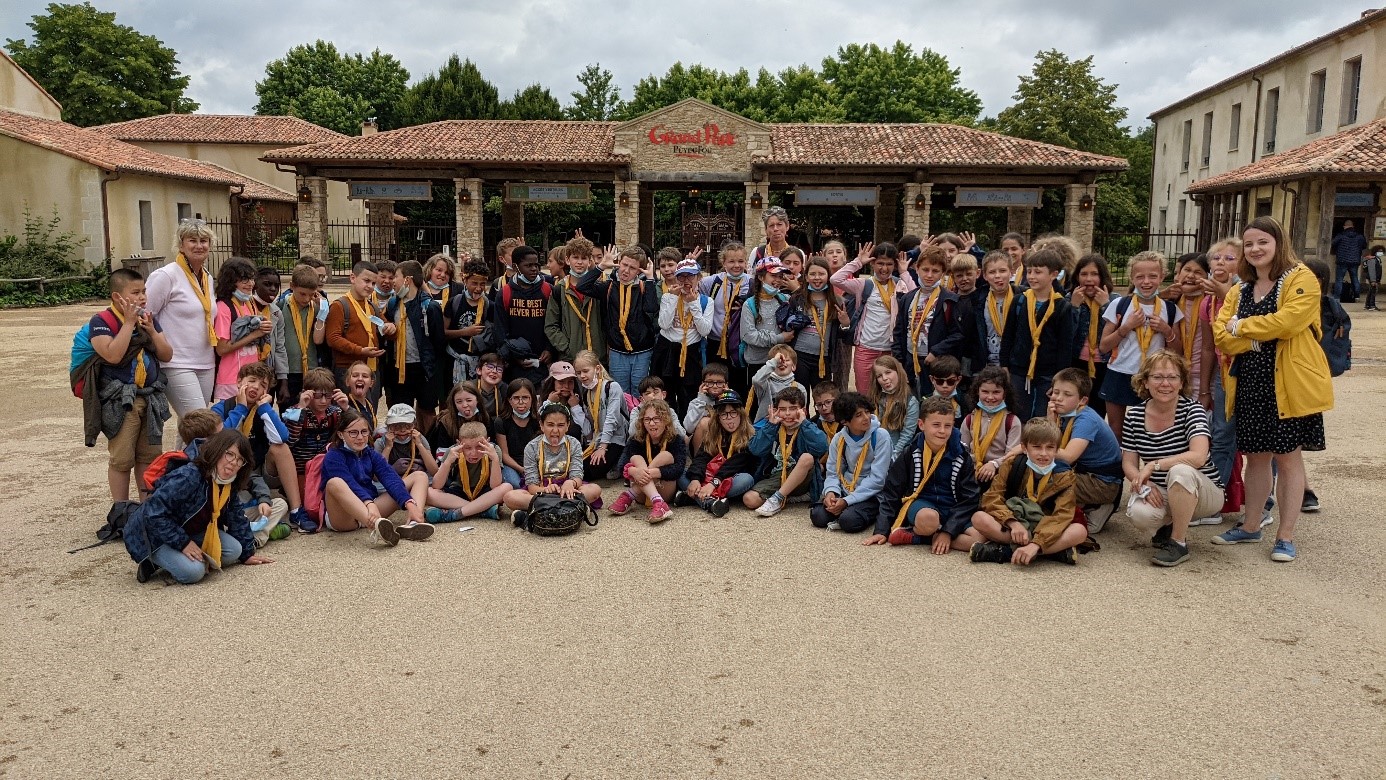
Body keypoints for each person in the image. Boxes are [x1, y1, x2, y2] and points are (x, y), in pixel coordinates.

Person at [1212, 216, 1333, 563]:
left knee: (1289, 458)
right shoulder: (1240, 290)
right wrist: (1250, 342)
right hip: (1250, 382)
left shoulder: (1301, 278)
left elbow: (1290, 321)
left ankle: (1285, 535)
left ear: (1279, 243)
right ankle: (1251, 526)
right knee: (1255, 459)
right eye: (1248, 244)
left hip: (1289, 383)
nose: (1255, 249)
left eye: (1262, 242)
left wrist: (1243, 328)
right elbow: (1221, 335)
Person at [123, 429, 273, 584]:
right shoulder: (189, 475)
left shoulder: (228, 481)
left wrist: (248, 554)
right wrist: (184, 543)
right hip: (152, 534)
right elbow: (153, 513)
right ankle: (152, 559)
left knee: (235, 550)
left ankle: (178, 557)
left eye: (240, 459)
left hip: (187, 529)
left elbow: (235, 515)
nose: (234, 462)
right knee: (194, 572)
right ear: (218, 450)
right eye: (230, 454)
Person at [1119, 351, 1226, 566]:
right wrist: (1145, 483)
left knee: (1180, 471)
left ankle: (1178, 543)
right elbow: (1128, 463)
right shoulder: (1134, 415)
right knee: (1139, 514)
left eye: (1172, 377)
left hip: (1204, 490)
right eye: (1157, 377)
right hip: (1164, 488)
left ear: (1181, 382)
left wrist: (1154, 465)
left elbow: (1198, 456)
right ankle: (1168, 526)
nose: (1165, 383)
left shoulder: (1192, 409)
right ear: (1145, 382)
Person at [85, 268, 173, 502]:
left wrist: (152, 331)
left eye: (144, 291)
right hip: (121, 400)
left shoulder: (148, 318)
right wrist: (129, 323)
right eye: (135, 292)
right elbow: (112, 355)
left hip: (149, 397)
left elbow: (166, 355)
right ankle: (120, 510)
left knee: (149, 456)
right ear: (117, 297)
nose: (142, 297)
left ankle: (148, 508)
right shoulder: (101, 321)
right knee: (122, 459)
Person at [865, 396, 984, 554]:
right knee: (928, 519)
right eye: (936, 425)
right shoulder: (911, 452)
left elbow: (970, 498)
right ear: (921, 425)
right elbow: (892, 491)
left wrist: (947, 532)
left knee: (978, 538)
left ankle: (920, 538)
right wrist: (881, 530)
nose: (942, 431)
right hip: (923, 506)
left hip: (952, 508)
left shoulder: (961, 456)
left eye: (948, 426)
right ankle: (929, 531)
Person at [967, 418, 1084, 565]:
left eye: (1050, 447)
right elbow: (991, 498)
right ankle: (1053, 551)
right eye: (1037, 447)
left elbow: (1062, 515)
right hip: (1016, 522)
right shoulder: (1012, 464)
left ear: (1057, 450)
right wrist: (1012, 523)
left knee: (1079, 531)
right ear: (1024, 448)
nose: (1043, 453)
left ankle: (1008, 552)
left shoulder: (1064, 476)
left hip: (1046, 525)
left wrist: (1036, 543)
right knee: (979, 518)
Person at [1098, 251, 1183, 444]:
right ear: (1132, 278)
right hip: (1120, 372)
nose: (1146, 282)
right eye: (1140, 277)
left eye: (1153, 276)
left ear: (1162, 277)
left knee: (1151, 433)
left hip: (1153, 375)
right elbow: (1103, 346)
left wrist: (1166, 330)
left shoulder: (1170, 309)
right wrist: (1126, 327)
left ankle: (1150, 471)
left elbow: (1178, 352)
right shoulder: (1120, 304)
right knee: (1116, 432)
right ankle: (1117, 473)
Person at [210, 362, 306, 528]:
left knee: (280, 448)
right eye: (252, 380)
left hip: (258, 469)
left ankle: (296, 510)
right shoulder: (222, 408)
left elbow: (283, 437)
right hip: (229, 468)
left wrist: (265, 408)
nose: (256, 387)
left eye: (263, 385)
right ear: (239, 381)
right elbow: (219, 441)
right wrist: (240, 408)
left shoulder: (262, 409)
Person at [145, 218, 218, 425]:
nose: (199, 245)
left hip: (205, 360)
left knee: (190, 427)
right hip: (175, 362)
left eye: (204, 240)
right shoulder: (166, 276)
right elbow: (145, 314)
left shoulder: (206, 277)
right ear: (181, 244)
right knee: (201, 424)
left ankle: (183, 459)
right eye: (192, 240)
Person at [321, 409, 432, 545]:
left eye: (364, 431)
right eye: (353, 433)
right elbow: (349, 483)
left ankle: (414, 522)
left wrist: (409, 503)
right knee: (335, 482)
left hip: (371, 511)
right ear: (341, 434)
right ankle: (378, 527)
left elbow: (390, 477)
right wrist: (369, 503)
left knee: (420, 476)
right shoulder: (333, 456)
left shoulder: (370, 453)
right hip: (344, 517)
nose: (360, 437)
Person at [831, 242, 917, 394]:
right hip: (866, 349)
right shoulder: (864, 285)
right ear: (872, 263)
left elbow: (916, 296)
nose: (884, 268)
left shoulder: (900, 285)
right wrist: (858, 262)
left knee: (890, 394)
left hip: (890, 350)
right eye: (880, 263)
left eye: (889, 264)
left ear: (895, 265)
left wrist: (904, 272)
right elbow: (836, 280)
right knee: (865, 394)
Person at [1045, 368, 1125, 532]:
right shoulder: (1063, 413)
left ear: (1082, 400)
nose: (1059, 398)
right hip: (1083, 474)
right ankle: (1082, 505)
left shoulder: (1086, 419)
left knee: (1044, 482)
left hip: (1103, 483)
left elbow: (1067, 457)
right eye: (1056, 392)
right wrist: (1050, 422)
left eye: (1067, 395)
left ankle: (1098, 506)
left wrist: (1033, 448)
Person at [1000, 247, 1074, 421]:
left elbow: (1065, 346)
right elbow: (1008, 335)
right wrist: (1005, 365)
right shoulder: (1020, 300)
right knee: (1018, 414)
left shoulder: (1062, 306)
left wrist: (1059, 378)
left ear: (1054, 274)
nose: (1032, 276)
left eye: (1038, 272)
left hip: (1048, 374)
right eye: (1029, 271)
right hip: (1018, 369)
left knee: (1044, 415)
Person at [502, 402, 604, 527]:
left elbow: (577, 474)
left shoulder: (574, 444)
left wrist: (570, 483)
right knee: (510, 497)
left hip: (567, 490)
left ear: (567, 426)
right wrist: (545, 491)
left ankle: (537, 511)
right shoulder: (532, 447)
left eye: (561, 425)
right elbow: (532, 486)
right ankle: (574, 509)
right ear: (541, 425)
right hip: (541, 490)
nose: (555, 430)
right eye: (550, 425)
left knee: (595, 490)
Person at [577, 246, 660, 393]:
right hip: (617, 351)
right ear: (619, 263)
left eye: (632, 268)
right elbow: (582, 286)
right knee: (619, 392)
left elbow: (652, 308)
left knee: (639, 391)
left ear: (639, 270)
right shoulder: (610, 287)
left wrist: (650, 279)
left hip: (642, 352)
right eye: (624, 265)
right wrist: (601, 266)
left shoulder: (643, 287)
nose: (626, 271)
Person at [811, 391, 893, 533]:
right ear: (845, 421)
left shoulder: (880, 436)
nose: (866, 418)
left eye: (867, 412)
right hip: (847, 487)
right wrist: (831, 492)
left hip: (873, 492)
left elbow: (878, 479)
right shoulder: (839, 439)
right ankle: (843, 508)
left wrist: (848, 501)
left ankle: (858, 511)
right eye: (858, 415)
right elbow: (833, 472)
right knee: (818, 516)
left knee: (848, 521)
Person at [1196, 238, 1242, 489]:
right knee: (1221, 434)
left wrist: (1226, 293)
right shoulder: (1208, 302)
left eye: (1230, 258)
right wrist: (1205, 390)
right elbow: (1207, 348)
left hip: (1251, 370)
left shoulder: (1250, 291)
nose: (1221, 263)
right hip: (1224, 373)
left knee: (1261, 438)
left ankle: (1265, 501)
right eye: (1216, 258)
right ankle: (1213, 498)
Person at [381, 260, 446, 435]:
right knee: (401, 412)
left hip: (423, 368)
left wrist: (433, 370)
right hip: (399, 367)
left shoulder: (429, 307)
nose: (394, 281)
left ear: (407, 280)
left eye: (396, 276)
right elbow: (384, 325)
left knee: (427, 410)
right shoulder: (394, 303)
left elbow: (439, 342)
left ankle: (429, 446)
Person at [744, 387, 829, 517]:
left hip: (803, 478)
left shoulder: (807, 426)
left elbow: (822, 447)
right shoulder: (773, 426)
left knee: (807, 458)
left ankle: (777, 498)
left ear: (803, 410)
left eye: (793, 408)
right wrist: (770, 426)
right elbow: (756, 450)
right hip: (777, 475)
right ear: (775, 411)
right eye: (782, 409)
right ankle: (789, 496)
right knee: (749, 499)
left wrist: (805, 423)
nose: (788, 414)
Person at [282, 367, 346, 531]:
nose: (323, 401)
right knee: (311, 508)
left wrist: (347, 408)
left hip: (324, 469)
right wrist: (301, 408)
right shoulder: (294, 412)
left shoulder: (334, 412)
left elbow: (359, 432)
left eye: (328, 395)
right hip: (301, 469)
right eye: (318, 395)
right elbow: (289, 441)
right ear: (306, 393)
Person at [893, 245, 962, 396]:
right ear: (917, 268)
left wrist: (936, 351)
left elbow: (957, 334)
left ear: (943, 273)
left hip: (936, 363)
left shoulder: (949, 300)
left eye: (935, 271)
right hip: (910, 361)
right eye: (925, 270)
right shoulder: (907, 298)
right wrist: (899, 360)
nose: (929, 275)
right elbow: (899, 331)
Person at [679, 391, 758, 517]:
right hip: (709, 477)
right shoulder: (713, 434)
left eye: (733, 413)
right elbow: (701, 458)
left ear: (741, 414)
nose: (729, 418)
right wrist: (695, 479)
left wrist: (713, 484)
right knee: (681, 473)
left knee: (746, 479)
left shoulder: (750, 435)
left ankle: (694, 497)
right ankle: (710, 502)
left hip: (730, 478)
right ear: (718, 417)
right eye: (724, 414)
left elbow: (734, 465)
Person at [610, 399, 687, 523]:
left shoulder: (676, 439)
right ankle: (658, 502)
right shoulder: (635, 439)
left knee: (666, 455)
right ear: (642, 422)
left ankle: (629, 495)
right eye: (647, 419)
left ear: (666, 420)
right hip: (641, 493)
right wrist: (633, 471)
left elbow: (679, 469)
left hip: (664, 487)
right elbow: (621, 465)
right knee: (636, 458)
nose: (652, 423)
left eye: (657, 418)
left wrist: (651, 473)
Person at [654, 259, 713, 415]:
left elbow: (705, 330)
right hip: (667, 349)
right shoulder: (668, 297)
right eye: (682, 277)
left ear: (699, 278)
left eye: (691, 276)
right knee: (665, 393)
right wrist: (673, 298)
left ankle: (687, 432)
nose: (686, 281)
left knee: (688, 395)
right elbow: (664, 324)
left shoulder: (706, 301)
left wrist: (694, 304)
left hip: (691, 352)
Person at [426, 421, 513, 522]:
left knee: (507, 487)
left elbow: (495, 485)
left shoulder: (494, 450)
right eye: (467, 448)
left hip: (485, 492)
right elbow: (437, 485)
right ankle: (482, 510)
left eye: (479, 446)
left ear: (487, 441)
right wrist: (448, 462)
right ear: (459, 443)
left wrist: (494, 459)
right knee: (428, 492)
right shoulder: (453, 451)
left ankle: (455, 514)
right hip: (459, 492)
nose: (473, 453)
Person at [784, 257, 849, 391]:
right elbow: (786, 324)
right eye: (812, 274)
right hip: (799, 355)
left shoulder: (836, 301)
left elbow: (842, 336)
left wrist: (845, 324)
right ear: (806, 277)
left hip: (823, 358)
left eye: (821, 274)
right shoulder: (797, 299)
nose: (817, 278)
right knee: (801, 396)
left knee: (822, 397)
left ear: (828, 276)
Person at [209, 258, 270, 402]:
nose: (251, 284)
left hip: (251, 377)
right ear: (231, 281)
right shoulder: (224, 307)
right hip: (230, 379)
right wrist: (255, 334)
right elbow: (222, 349)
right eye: (244, 280)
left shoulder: (249, 303)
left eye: (252, 279)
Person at [324, 261, 391, 391]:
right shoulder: (339, 306)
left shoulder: (372, 307)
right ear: (353, 278)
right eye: (366, 281)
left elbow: (386, 326)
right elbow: (333, 338)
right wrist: (360, 351)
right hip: (348, 370)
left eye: (373, 283)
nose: (370, 286)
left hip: (370, 369)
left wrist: (391, 328)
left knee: (370, 409)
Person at [494, 246, 553, 386]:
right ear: (516, 267)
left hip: (542, 360)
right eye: (528, 265)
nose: (534, 269)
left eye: (536, 265)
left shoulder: (548, 290)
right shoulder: (504, 293)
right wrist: (513, 357)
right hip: (515, 364)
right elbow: (500, 330)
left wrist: (549, 350)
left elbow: (555, 324)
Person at [272, 265, 328, 409]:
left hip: (311, 370)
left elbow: (318, 340)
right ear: (292, 286)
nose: (306, 299)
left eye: (311, 294)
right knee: (289, 414)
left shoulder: (316, 308)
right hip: (288, 371)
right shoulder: (281, 306)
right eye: (302, 294)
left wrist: (322, 313)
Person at [545, 236, 607, 364]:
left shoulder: (599, 288)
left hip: (597, 357)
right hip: (570, 358)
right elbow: (551, 325)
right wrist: (566, 348)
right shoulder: (559, 290)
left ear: (590, 261)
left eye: (584, 258)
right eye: (575, 257)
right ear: (567, 260)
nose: (580, 262)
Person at [700, 241, 752, 394]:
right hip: (715, 342)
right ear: (724, 262)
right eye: (732, 261)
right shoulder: (711, 282)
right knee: (715, 384)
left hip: (738, 343)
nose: (737, 265)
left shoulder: (752, 283)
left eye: (741, 261)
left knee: (738, 383)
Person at [1067, 253, 1114, 419]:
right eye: (1084, 274)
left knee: (1097, 411)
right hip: (1077, 362)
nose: (1089, 279)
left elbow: (1116, 331)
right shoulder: (1069, 299)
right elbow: (1067, 334)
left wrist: (1105, 306)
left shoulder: (1114, 300)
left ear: (1102, 277)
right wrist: (1074, 307)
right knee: (1075, 410)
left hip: (1103, 364)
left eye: (1094, 274)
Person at [960, 366, 1021, 493]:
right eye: (985, 392)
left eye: (996, 392)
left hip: (999, 473)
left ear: (1005, 393)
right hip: (972, 471)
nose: (990, 397)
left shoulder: (1012, 421)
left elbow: (1011, 455)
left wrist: (994, 464)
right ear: (978, 392)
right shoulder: (969, 419)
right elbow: (963, 450)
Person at [572, 351, 627, 477]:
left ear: (597, 369)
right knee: (579, 468)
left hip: (617, 438)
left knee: (593, 470)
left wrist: (602, 448)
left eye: (586, 371)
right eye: (579, 373)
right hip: (599, 438)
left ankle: (620, 461)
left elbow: (611, 418)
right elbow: (592, 423)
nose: (582, 376)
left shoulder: (612, 387)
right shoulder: (587, 394)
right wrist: (591, 444)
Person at [739, 258, 793, 383]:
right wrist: (780, 338)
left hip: (781, 361)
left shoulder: (785, 299)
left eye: (780, 276)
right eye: (773, 276)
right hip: (757, 362)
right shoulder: (749, 304)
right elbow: (748, 335)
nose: (778, 280)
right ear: (761, 277)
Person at [444, 258, 493, 383]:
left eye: (482, 284)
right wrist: (465, 332)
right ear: (465, 281)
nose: (478, 288)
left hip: (480, 361)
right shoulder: (454, 302)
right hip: (454, 358)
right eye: (474, 283)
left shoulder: (489, 305)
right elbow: (443, 332)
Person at [971, 252, 1018, 375]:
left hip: (1015, 364)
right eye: (992, 272)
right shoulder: (977, 300)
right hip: (987, 364)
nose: (998, 276)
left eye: (1002, 271)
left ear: (1011, 272)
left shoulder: (1023, 297)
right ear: (984, 275)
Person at [869, 355, 919, 461]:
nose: (884, 378)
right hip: (873, 450)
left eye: (888, 372)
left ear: (898, 372)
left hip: (894, 453)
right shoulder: (875, 398)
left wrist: (892, 458)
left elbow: (906, 436)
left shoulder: (910, 402)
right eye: (879, 376)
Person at [373, 403, 438, 479]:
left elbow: (434, 471)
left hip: (419, 479)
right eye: (396, 427)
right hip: (391, 481)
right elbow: (376, 477)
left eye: (407, 426)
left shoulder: (418, 438)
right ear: (388, 427)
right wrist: (388, 447)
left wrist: (420, 445)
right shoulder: (381, 442)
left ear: (414, 425)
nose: (403, 430)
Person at [494, 378, 539, 488]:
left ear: (532, 399)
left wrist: (531, 469)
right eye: (516, 398)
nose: (521, 402)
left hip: (534, 463)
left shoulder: (538, 420)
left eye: (525, 398)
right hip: (511, 464)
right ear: (509, 400)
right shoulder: (501, 422)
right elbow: (504, 455)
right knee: (515, 484)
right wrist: (521, 469)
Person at [748, 344, 807, 424]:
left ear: (793, 366)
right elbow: (756, 380)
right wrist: (774, 361)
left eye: (787, 360)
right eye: (779, 360)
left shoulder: (800, 388)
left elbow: (802, 413)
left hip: (790, 426)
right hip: (766, 427)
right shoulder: (765, 384)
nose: (782, 363)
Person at [426, 381, 491, 452]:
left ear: (477, 400)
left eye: (469, 400)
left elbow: (492, 446)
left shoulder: (485, 417)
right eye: (459, 402)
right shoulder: (446, 422)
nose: (465, 405)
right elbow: (441, 454)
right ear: (454, 403)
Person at [683, 363, 730, 447]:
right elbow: (688, 428)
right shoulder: (697, 402)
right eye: (710, 382)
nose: (715, 386)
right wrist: (701, 399)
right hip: (703, 445)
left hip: (724, 441)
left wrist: (727, 398)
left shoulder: (732, 400)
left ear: (725, 384)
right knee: (705, 422)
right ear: (703, 384)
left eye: (719, 382)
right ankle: (699, 459)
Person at [924, 356, 970, 424]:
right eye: (939, 381)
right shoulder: (924, 402)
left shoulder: (965, 401)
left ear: (958, 380)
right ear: (932, 379)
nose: (944, 386)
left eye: (950, 381)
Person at [1330, 219, 1368, 300]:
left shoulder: (1340, 235)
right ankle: (1357, 296)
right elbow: (1364, 246)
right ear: (1353, 226)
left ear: (1345, 226)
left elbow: (1333, 244)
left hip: (1342, 260)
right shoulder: (1359, 236)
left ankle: (1337, 297)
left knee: (1339, 279)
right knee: (1354, 278)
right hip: (1355, 260)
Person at [1364, 245, 1384, 311]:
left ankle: (1367, 305)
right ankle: (1372, 305)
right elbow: (1372, 270)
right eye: (1379, 251)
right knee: (1373, 291)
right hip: (1373, 278)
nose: (1381, 253)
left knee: (1371, 290)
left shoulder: (1377, 259)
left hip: (1375, 278)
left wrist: (1378, 280)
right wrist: (1373, 280)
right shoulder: (1372, 259)